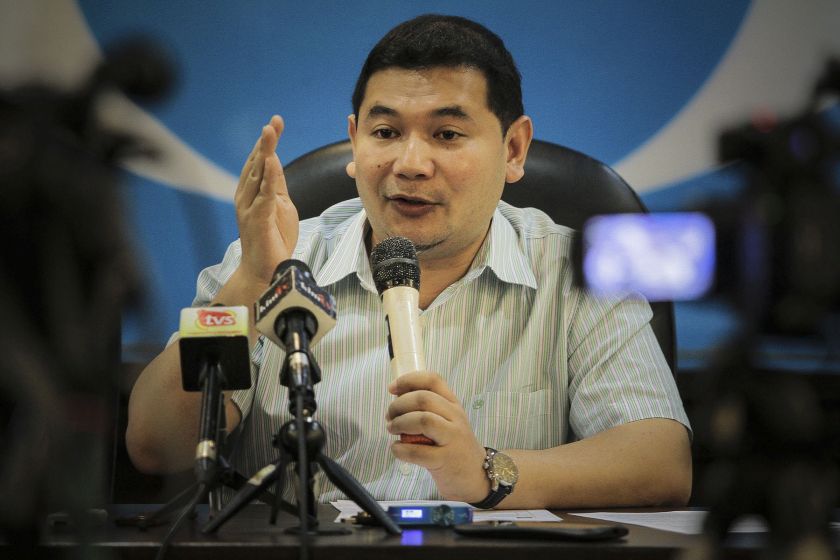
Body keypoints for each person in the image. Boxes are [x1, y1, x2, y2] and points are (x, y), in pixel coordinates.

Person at [127, 14, 692, 509]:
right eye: (385, 132)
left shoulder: (581, 268)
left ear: (514, 150)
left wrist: (487, 472)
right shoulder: (270, 260)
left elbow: (661, 462)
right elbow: (156, 446)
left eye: (447, 133)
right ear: (355, 143)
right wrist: (252, 281)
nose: (411, 163)